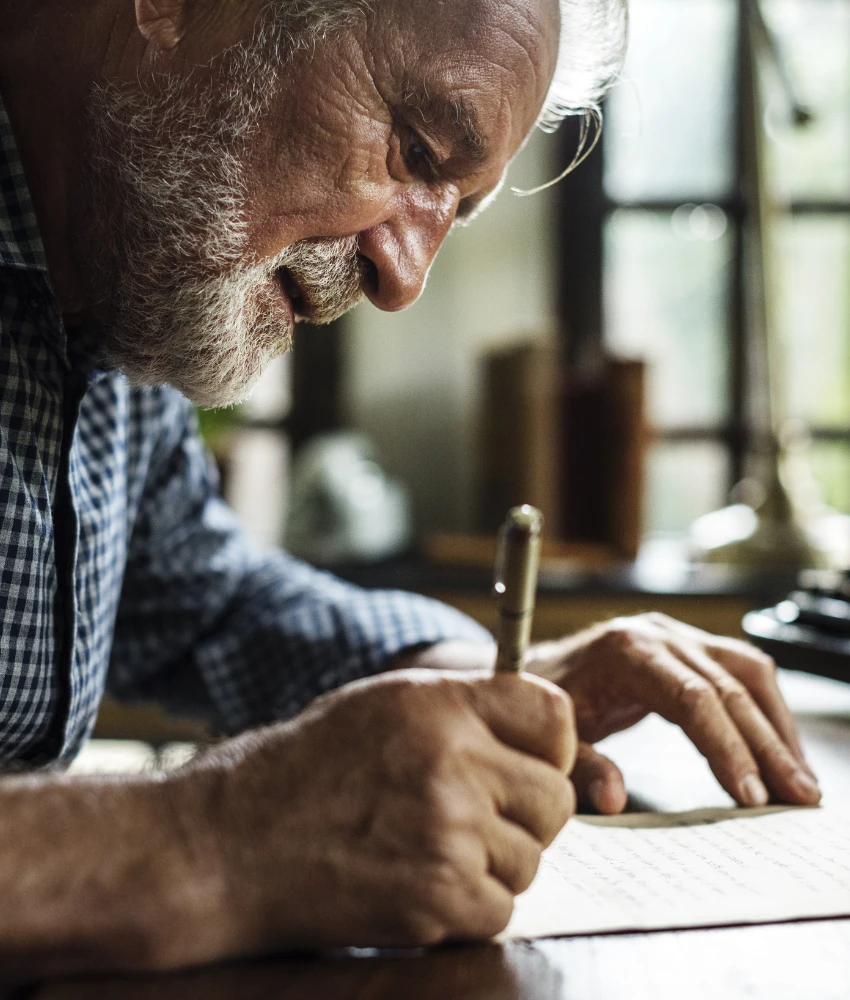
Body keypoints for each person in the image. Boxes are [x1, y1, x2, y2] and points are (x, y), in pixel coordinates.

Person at [0, 0, 820, 977]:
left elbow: (204, 603)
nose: (402, 281)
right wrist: (212, 840)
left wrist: (492, 679)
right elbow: (216, 820)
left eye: (454, 210)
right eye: (417, 152)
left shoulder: (120, 276)